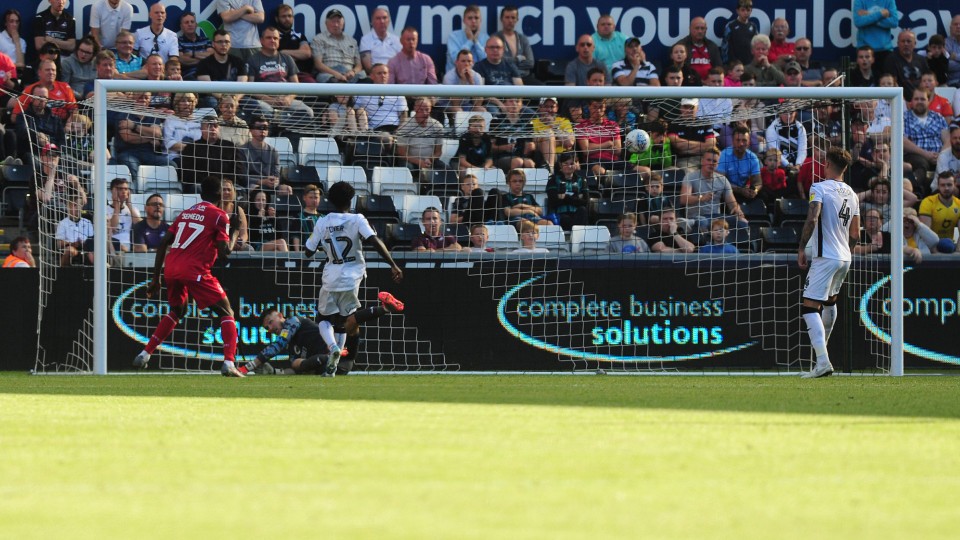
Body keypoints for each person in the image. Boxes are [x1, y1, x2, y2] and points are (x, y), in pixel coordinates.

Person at [132, 177, 244, 377]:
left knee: (178, 310)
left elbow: (165, 242)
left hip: (172, 269)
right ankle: (229, 362)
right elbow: (225, 251)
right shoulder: (220, 216)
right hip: (194, 270)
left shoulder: (186, 213)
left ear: (201, 195)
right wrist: (235, 230)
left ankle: (145, 353)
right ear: (219, 195)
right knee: (227, 312)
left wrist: (155, 278)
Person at [304, 181, 404, 376]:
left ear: (328, 200)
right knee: (344, 321)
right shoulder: (358, 219)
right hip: (352, 277)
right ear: (351, 200)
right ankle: (335, 364)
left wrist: (323, 243)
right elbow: (374, 241)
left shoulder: (322, 222)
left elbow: (308, 251)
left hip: (331, 275)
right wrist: (392, 264)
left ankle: (333, 346)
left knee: (324, 318)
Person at [796, 147, 859, 378]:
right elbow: (855, 233)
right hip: (845, 257)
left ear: (827, 164)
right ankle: (822, 356)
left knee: (809, 307)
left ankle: (822, 361)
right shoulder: (852, 194)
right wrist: (847, 253)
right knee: (830, 303)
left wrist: (802, 247)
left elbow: (813, 218)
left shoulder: (819, 188)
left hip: (826, 256)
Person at [680, 146, 748, 231]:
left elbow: (732, 203)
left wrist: (737, 209)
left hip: (716, 218)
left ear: (717, 164)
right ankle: (689, 223)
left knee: (743, 222)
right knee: (703, 222)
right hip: (697, 217)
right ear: (702, 161)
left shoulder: (722, 180)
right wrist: (701, 198)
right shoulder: (690, 177)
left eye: (714, 161)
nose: (711, 163)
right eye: (708, 160)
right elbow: (683, 199)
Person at [180, 115, 248, 193]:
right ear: (202, 129)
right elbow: (187, 174)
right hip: (202, 185)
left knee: (241, 191)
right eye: (209, 126)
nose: (213, 129)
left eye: (215, 126)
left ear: (219, 128)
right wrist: (212, 183)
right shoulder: (191, 148)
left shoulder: (229, 146)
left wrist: (225, 182)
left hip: (226, 184)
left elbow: (239, 170)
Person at [903, 87, 949, 192]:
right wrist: (926, 154)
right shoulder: (904, 118)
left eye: (922, 99)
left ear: (929, 101)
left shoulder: (938, 117)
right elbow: (903, 141)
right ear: (911, 102)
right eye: (916, 99)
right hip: (915, 155)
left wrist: (941, 155)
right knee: (922, 164)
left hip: (939, 154)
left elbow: (947, 140)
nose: (919, 102)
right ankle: (916, 191)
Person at [394, 97, 444, 181]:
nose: (424, 112)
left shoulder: (437, 126)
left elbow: (438, 151)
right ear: (415, 109)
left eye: (427, 109)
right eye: (421, 109)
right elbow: (401, 153)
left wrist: (430, 159)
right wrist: (419, 162)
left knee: (445, 169)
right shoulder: (405, 126)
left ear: (431, 109)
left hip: (430, 161)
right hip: (410, 161)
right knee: (407, 168)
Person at [312, 9, 363, 83]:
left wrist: (353, 72)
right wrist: (337, 74)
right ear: (326, 23)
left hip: (350, 73)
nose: (336, 25)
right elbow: (318, 64)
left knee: (368, 81)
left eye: (338, 21)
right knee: (335, 82)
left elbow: (359, 65)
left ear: (343, 23)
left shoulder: (352, 41)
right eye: (333, 21)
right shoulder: (319, 39)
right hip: (329, 73)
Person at [576, 98, 622, 179]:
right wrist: (608, 144)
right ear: (589, 107)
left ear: (605, 108)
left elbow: (618, 150)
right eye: (595, 107)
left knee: (644, 171)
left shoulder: (613, 125)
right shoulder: (582, 126)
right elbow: (586, 150)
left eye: (601, 107)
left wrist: (594, 147)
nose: (598, 110)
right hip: (594, 161)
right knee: (601, 172)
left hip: (614, 161)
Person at [717, 125, 762, 202]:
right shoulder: (724, 155)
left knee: (762, 196)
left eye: (744, 140)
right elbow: (720, 182)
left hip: (744, 191)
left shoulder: (753, 157)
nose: (741, 144)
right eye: (738, 140)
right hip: (727, 191)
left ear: (749, 142)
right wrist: (740, 190)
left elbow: (758, 181)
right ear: (733, 141)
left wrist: (755, 190)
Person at [545, 151, 589, 230]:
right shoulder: (553, 180)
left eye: (572, 163)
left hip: (577, 215)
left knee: (583, 210)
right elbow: (553, 202)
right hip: (560, 215)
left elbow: (585, 202)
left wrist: (564, 197)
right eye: (566, 163)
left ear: (575, 164)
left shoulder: (581, 180)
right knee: (565, 218)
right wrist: (576, 197)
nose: (569, 166)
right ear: (560, 165)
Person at [494, 5, 537, 85]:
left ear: (517, 20)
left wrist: (509, 62)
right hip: (505, 78)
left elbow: (531, 63)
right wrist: (519, 59)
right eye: (507, 17)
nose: (510, 20)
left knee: (548, 93)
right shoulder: (495, 39)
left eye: (513, 18)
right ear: (501, 19)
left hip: (524, 77)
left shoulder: (523, 39)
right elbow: (499, 62)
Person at [853, 0, 900, 68]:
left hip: (885, 50)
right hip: (865, 50)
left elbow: (894, 22)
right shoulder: (859, 1)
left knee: (887, 78)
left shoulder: (889, 1)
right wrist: (880, 14)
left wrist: (869, 14)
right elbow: (858, 22)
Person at [675, 17, 723, 82]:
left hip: (711, 85)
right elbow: (677, 69)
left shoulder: (712, 46)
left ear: (706, 30)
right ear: (690, 29)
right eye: (697, 28)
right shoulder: (682, 45)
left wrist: (712, 81)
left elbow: (719, 68)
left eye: (702, 28)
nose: (700, 31)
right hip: (689, 84)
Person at [273, 4, 313, 81]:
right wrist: (298, 55)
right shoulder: (272, 36)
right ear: (277, 19)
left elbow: (306, 53)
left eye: (290, 16)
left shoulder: (300, 36)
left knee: (314, 86)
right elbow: (274, 58)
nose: (287, 19)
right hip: (280, 74)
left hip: (302, 74)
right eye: (283, 16)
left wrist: (283, 52)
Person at [883, 30, 928, 99]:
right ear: (898, 44)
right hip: (900, 100)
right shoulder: (891, 59)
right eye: (903, 41)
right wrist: (904, 103)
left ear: (915, 44)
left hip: (920, 99)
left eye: (909, 41)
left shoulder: (921, 60)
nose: (906, 44)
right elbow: (893, 84)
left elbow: (927, 82)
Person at [446, 5, 489, 73]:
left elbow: (487, 61)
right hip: (456, 78)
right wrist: (470, 41)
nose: (473, 21)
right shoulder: (453, 36)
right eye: (470, 18)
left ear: (480, 20)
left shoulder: (485, 37)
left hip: (479, 77)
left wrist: (476, 42)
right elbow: (455, 60)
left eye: (476, 18)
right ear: (464, 20)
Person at [241, 116, 280, 190]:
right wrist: (262, 182)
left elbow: (276, 174)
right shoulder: (242, 150)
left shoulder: (273, 151)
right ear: (251, 130)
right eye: (259, 128)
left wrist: (274, 181)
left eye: (265, 128)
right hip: (251, 185)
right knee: (254, 188)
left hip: (268, 184)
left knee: (287, 189)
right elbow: (242, 177)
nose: (262, 131)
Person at [918, 172, 960, 240]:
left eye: (949, 185)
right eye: (943, 185)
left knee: (948, 245)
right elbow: (925, 233)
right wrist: (935, 250)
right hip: (930, 244)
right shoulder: (928, 202)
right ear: (938, 186)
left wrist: (958, 249)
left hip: (949, 245)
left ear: (955, 185)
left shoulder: (958, 204)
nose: (946, 188)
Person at [360, 7, 401, 74]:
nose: (382, 21)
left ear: (389, 21)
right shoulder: (365, 40)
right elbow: (368, 67)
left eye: (384, 18)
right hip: (376, 76)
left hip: (394, 75)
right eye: (378, 18)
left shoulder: (396, 40)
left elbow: (402, 62)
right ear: (372, 22)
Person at [56, 197, 95, 267]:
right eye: (74, 205)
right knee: (69, 250)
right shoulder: (62, 223)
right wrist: (72, 243)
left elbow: (92, 239)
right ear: (68, 207)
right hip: (71, 247)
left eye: (79, 205)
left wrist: (84, 243)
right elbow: (59, 243)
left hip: (86, 248)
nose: (77, 208)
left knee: (94, 253)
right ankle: (61, 273)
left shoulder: (87, 222)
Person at [108, 177, 141, 253]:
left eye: (126, 189)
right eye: (120, 189)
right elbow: (113, 228)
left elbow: (140, 226)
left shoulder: (132, 210)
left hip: (130, 248)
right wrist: (117, 206)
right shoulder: (104, 210)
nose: (124, 191)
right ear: (113, 191)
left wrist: (129, 204)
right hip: (112, 248)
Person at [177, 11, 213, 80]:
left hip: (209, 74)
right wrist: (203, 59)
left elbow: (211, 56)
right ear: (181, 26)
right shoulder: (178, 42)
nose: (190, 24)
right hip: (189, 76)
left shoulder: (205, 40)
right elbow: (182, 60)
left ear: (196, 25)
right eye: (186, 22)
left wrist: (192, 54)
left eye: (192, 22)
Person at [721, 0, 758, 65]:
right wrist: (726, 63)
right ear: (737, 11)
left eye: (748, 10)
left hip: (750, 63)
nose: (746, 13)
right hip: (734, 64)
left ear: (751, 11)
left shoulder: (753, 26)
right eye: (743, 10)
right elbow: (724, 46)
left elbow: (757, 45)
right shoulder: (730, 26)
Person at [288, 183, 322, 251]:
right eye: (311, 197)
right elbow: (296, 237)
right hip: (304, 253)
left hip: (322, 254)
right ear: (304, 198)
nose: (314, 200)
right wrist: (297, 254)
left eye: (316, 197)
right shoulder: (298, 217)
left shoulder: (324, 217)